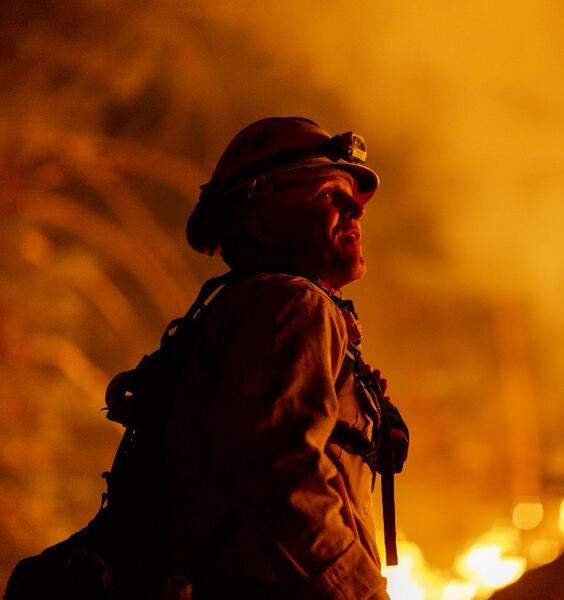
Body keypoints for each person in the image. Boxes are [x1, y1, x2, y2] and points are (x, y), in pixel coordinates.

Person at [166, 116, 407, 599]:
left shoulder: (242, 310)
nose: (355, 212)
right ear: (261, 224)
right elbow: (279, 464)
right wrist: (360, 592)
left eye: (352, 198)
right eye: (326, 196)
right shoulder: (293, 302)